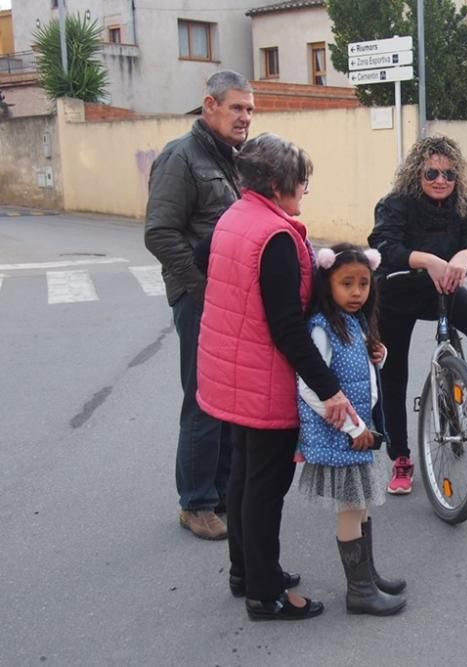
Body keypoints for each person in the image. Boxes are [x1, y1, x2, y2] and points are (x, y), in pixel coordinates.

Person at [198, 133, 355, 621]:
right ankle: (265, 595)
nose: (304, 190)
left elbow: (209, 262)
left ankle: (247, 570)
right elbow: (288, 329)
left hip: (230, 371)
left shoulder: (235, 217)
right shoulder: (276, 237)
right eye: (300, 181)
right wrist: (330, 389)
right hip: (261, 379)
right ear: (277, 182)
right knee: (266, 487)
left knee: (244, 477)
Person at [369, 135, 467, 497]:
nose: (440, 180)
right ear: (417, 172)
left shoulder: (464, 202)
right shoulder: (397, 203)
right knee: (393, 374)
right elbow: (385, 244)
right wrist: (428, 260)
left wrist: (465, 257)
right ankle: (400, 457)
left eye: (448, 175)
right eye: (431, 172)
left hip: (443, 291)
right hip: (398, 293)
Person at [144, 70, 254, 541]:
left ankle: (223, 493)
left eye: (250, 109)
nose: (245, 117)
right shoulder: (181, 157)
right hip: (200, 299)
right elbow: (160, 233)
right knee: (204, 400)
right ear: (209, 105)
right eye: (237, 107)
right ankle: (196, 502)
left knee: (229, 400)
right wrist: (201, 287)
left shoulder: (235, 159)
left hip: (232, 300)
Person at [297, 244, 407, 616]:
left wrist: (380, 354)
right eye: (347, 284)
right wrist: (352, 427)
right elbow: (310, 388)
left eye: (363, 284)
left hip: (358, 431)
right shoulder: (322, 328)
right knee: (351, 507)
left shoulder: (355, 322)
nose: (357, 292)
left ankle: (368, 575)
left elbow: (364, 375)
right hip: (341, 436)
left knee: (361, 508)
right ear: (327, 284)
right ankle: (359, 591)